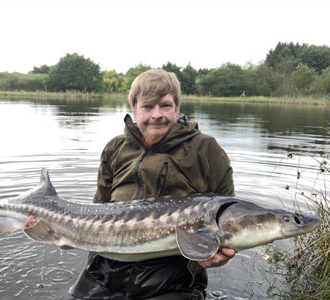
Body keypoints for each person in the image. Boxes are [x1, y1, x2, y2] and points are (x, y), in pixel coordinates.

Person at [69, 69, 236, 300]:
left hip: (171, 283)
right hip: (103, 274)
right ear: (134, 110)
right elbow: (97, 209)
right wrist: (65, 234)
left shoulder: (206, 150)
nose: (157, 114)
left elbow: (228, 214)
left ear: (177, 109)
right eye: (148, 106)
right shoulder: (115, 148)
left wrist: (221, 252)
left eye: (165, 106)